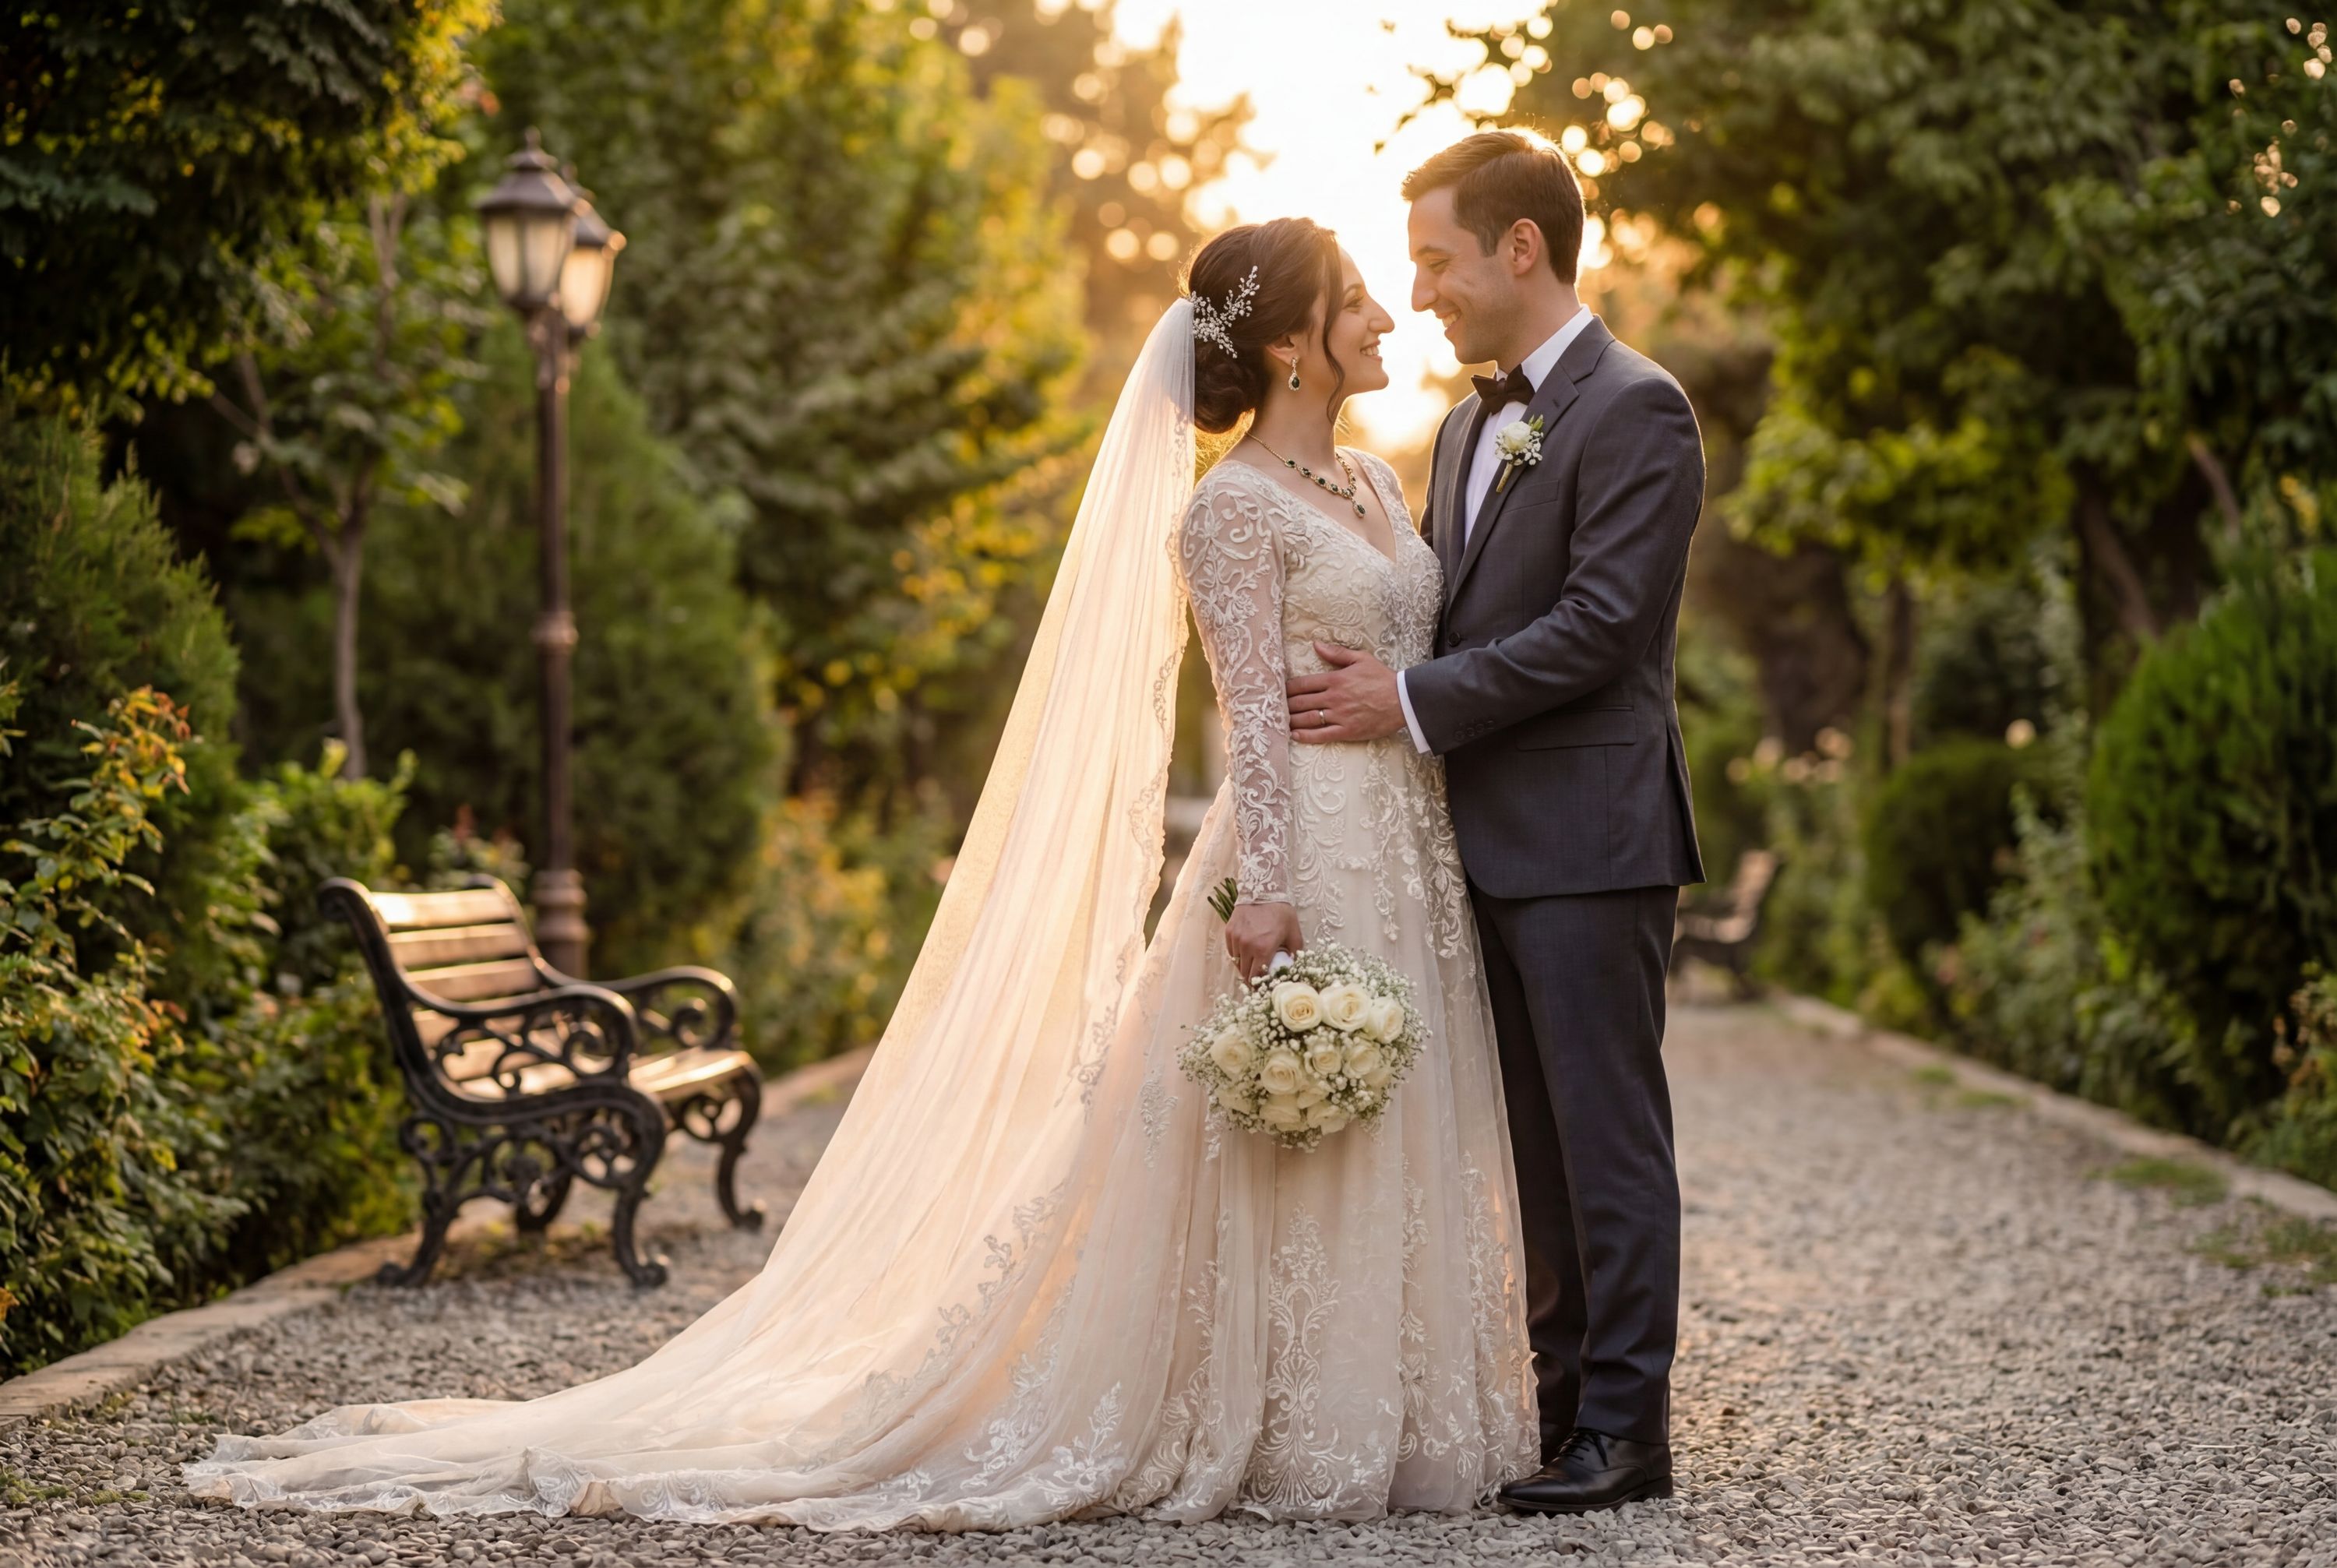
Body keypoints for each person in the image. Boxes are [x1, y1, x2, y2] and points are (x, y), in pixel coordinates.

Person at [185, 212, 1542, 1529]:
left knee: (1392, 1114)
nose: (1381, 317)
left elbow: (1408, 654)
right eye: (1355, 297)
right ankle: (1275, 1414)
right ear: (1295, 345)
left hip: (1409, 850)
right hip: (1302, 850)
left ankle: (1403, 1405)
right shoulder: (1228, 510)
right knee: (1285, 1120)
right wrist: (1277, 895)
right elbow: (1253, 713)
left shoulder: (1370, 482)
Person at [1287, 129, 1706, 1515]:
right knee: (1531, 1144)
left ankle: (1629, 1433)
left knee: (1607, 1136)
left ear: (1519, 248)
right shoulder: (1470, 423)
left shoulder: (1639, 408)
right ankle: (1566, 1406)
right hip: (1482, 842)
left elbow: (1598, 628)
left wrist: (1407, 699)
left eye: (1435, 261)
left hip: (1591, 837)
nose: (1420, 297)